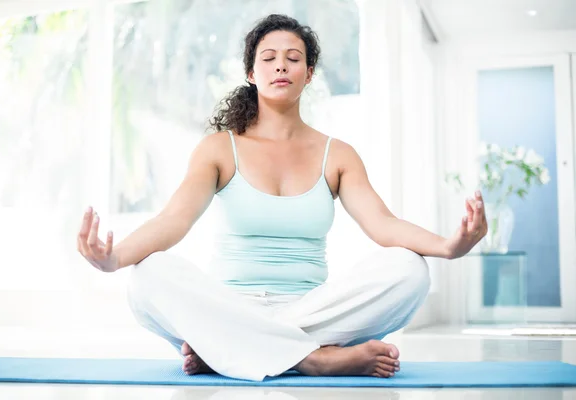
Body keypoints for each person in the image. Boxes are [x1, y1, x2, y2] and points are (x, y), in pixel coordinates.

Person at [76, 14, 487, 382]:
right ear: (251, 73)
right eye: (269, 57)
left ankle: (230, 352)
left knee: (409, 270)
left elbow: (383, 225)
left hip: (313, 311)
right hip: (227, 305)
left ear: (309, 74)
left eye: (293, 58)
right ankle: (312, 360)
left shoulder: (337, 154)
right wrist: (113, 260)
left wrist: (449, 247)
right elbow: (172, 223)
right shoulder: (220, 148)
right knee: (147, 276)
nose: (280, 66)